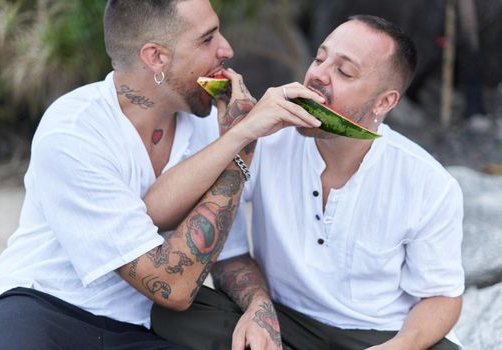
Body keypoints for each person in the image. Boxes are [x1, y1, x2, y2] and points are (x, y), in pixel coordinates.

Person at [0, 0, 324, 349]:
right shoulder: (73, 132)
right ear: (156, 57)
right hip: (44, 309)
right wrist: (243, 138)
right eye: (207, 39)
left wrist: (258, 307)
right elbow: (170, 285)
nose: (227, 49)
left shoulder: (208, 127)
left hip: (144, 327)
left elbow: (227, 255)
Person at [152, 15, 465, 350]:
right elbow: (158, 211)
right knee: (174, 313)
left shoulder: (429, 184)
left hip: (376, 334)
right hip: (285, 320)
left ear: (384, 101)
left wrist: (398, 347)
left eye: (344, 72)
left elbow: (442, 296)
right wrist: (243, 130)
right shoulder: (268, 139)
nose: (317, 74)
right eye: (319, 58)